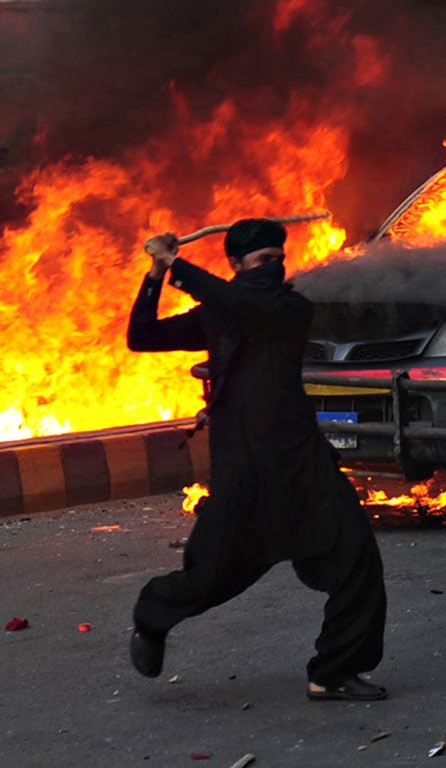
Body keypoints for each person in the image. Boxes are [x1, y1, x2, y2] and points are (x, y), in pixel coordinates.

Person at [126, 218, 388, 702]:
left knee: (356, 560)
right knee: (210, 577)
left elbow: (242, 302)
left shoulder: (289, 308)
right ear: (236, 265)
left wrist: (175, 264)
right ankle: (151, 615)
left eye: (279, 259)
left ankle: (333, 671)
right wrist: (155, 275)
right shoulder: (218, 314)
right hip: (243, 470)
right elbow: (142, 337)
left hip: (302, 463)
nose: (275, 267)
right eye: (263, 260)